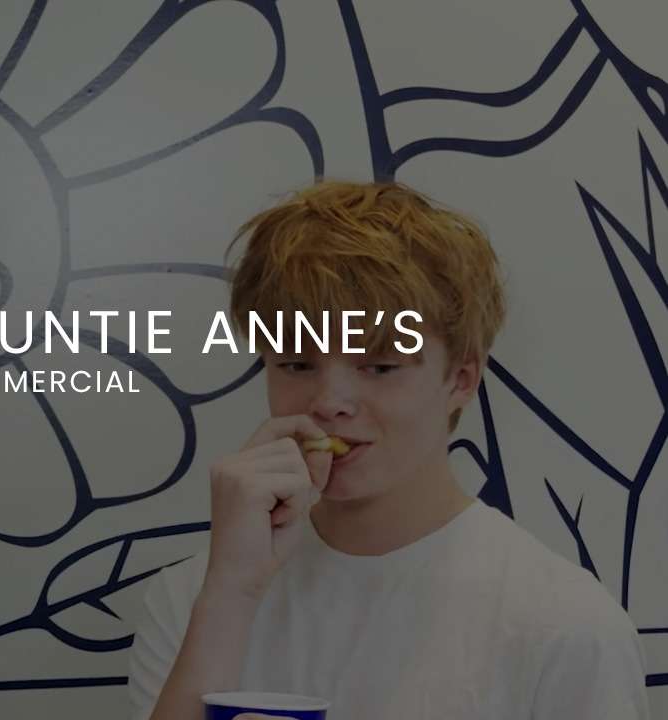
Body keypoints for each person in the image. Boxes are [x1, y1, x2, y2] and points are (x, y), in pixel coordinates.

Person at [127, 181, 651, 720]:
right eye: (296, 364)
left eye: (379, 366)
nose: (329, 402)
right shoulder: (193, 598)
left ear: (461, 379)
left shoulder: (562, 624)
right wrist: (230, 592)